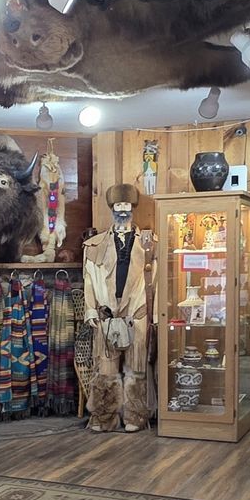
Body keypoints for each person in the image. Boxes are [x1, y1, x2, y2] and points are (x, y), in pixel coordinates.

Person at [82, 185, 153, 431]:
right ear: (112, 208)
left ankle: (135, 416)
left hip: (137, 314)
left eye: (126, 206)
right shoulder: (93, 246)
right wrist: (90, 310)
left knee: (136, 369)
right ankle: (104, 417)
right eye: (118, 206)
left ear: (132, 208)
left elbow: (157, 281)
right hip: (106, 316)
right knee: (106, 370)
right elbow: (88, 282)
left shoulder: (150, 244)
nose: (122, 211)